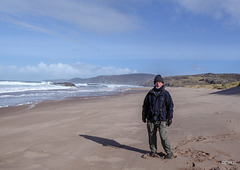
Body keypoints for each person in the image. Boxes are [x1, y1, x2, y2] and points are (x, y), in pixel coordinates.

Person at [142, 75, 174, 159]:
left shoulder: (166, 94)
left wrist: (170, 118)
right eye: (156, 82)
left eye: (159, 82)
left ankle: (169, 152)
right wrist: (143, 116)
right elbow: (145, 106)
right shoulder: (150, 94)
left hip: (162, 119)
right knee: (151, 136)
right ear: (154, 83)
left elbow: (170, 106)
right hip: (151, 118)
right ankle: (153, 150)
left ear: (162, 83)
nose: (158, 84)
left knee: (163, 136)